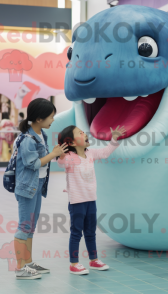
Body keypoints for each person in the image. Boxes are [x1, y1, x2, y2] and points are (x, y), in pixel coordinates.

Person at [57, 124, 126, 275]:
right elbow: (61, 163)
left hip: (91, 200)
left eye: (83, 132)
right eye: (80, 133)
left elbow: (106, 153)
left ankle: (93, 260)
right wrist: (61, 154)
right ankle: (74, 263)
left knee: (90, 231)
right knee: (76, 232)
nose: (84, 134)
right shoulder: (69, 158)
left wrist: (114, 139)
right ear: (73, 143)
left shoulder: (90, 153)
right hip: (77, 202)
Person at [14, 98, 68, 280]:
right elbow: (33, 163)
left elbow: (42, 158)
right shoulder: (27, 139)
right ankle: (20, 268)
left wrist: (52, 152)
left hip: (36, 186)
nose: (52, 119)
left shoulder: (40, 135)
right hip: (27, 187)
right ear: (39, 119)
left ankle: (28, 263)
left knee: (30, 227)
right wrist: (53, 154)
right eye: (50, 116)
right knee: (24, 227)